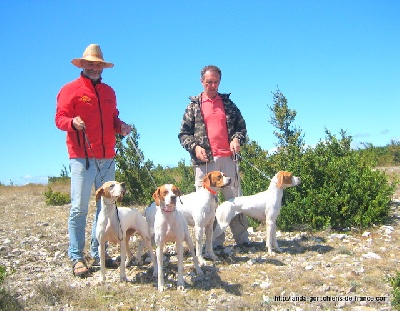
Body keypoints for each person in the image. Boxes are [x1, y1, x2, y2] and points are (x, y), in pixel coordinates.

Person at [55, 44, 131, 277]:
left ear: (102, 67)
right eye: (90, 64)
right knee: (79, 208)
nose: (95, 67)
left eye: (98, 64)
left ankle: (99, 251)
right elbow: (60, 118)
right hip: (81, 157)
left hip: (107, 157)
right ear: (83, 65)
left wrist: (122, 127)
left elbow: (113, 119)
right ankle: (77, 257)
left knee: (106, 207)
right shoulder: (70, 89)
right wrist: (72, 123)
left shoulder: (109, 91)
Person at [178, 65, 250, 249]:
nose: (213, 85)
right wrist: (194, 148)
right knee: (205, 205)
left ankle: (243, 240)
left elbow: (241, 128)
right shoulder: (193, 106)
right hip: (205, 163)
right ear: (202, 81)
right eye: (209, 82)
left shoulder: (228, 104)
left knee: (235, 200)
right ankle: (213, 244)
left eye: (216, 82)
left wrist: (236, 139)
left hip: (228, 160)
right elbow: (183, 135)